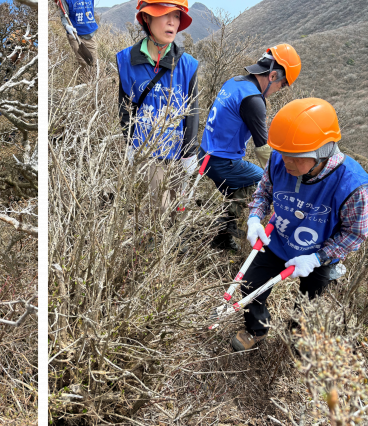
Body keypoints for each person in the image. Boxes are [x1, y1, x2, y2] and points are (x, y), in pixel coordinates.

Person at [231, 98, 368, 351]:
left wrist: (317, 258)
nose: (286, 163)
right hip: (278, 240)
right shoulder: (278, 160)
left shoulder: (353, 186)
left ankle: (297, 339)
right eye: (283, 154)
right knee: (250, 286)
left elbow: (355, 234)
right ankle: (257, 329)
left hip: (318, 254)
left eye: (296, 158)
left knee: (308, 303)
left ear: (322, 153)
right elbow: (263, 193)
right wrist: (253, 218)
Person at [199, 44, 301, 250]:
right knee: (259, 181)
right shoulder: (253, 100)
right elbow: (263, 150)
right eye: (282, 86)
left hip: (204, 153)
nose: (277, 91)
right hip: (221, 162)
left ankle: (222, 234)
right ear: (272, 76)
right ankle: (223, 229)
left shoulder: (234, 82)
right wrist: (284, 177)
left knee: (238, 189)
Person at [117, 0, 199, 218]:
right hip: (147, 150)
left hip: (179, 150)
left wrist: (189, 153)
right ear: (147, 18)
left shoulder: (188, 65)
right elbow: (125, 106)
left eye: (177, 15)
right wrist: (130, 142)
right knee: (158, 210)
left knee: (179, 209)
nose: (172, 22)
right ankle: (151, 244)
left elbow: (192, 111)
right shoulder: (126, 60)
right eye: (165, 14)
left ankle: (172, 246)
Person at [57, 0, 98, 79]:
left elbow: (91, 9)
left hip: (90, 33)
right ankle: (83, 84)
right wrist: (66, 26)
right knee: (83, 63)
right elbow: (64, 15)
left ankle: (92, 84)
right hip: (74, 34)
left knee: (93, 63)